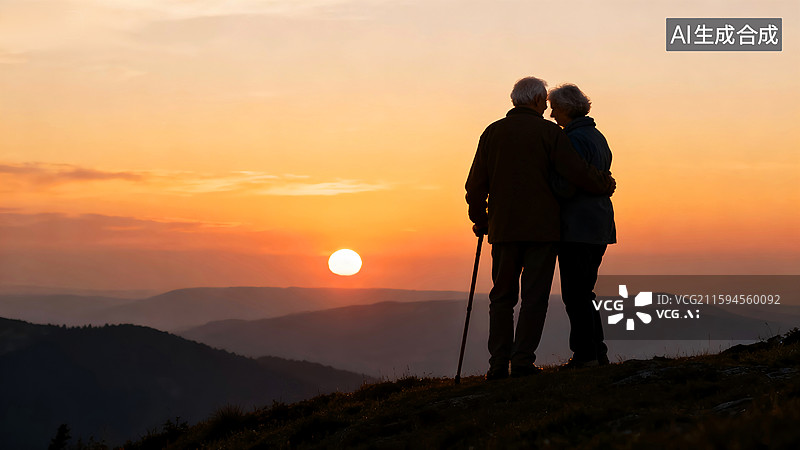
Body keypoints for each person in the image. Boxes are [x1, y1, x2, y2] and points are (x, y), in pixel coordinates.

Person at [465, 76, 615, 380]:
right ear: (536, 101)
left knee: (502, 297)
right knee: (535, 298)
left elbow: (475, 184)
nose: (548, 111)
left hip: (503, 229)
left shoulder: (492, 133)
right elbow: (576, 171)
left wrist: (480, 219)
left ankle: (497, 365)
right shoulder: (549, 133)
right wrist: (605, 182)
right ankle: (522, 362)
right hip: (542, 232)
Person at [548, 83, 616, 368]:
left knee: (575, 294)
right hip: (599, 225)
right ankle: (596, 352)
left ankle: (586, 355)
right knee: (585, 291)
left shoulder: (572, 140)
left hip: (577, 227)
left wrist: (548, 186)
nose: (552, 115)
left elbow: (567, 185)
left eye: (555, 109)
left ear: (565, 108)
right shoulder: (597, 136)